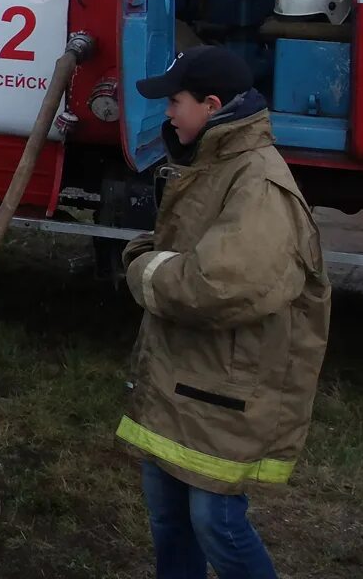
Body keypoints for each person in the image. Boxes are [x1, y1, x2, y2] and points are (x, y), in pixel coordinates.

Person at [117, 46, 331, 579]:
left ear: (212, 105)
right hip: (188, 379)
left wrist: (141, 271)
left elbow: (217, 285)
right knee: (169, 515)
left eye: (176, 102)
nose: (168, 113)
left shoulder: (258, 183)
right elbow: (185, 243)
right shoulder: (212, 162)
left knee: (217, 524)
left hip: (225, 391)